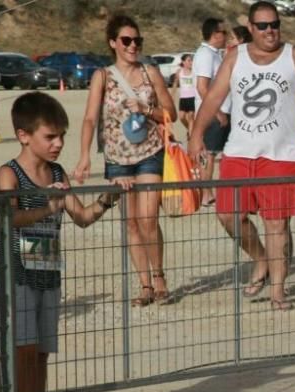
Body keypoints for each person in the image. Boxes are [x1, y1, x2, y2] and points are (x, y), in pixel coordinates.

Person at [0, 92, 119, 392]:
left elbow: (81, 217)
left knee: (43, 352)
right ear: (24, 135)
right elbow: (6, 218)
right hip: (16, 274)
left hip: (48, 272)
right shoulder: (9, 173)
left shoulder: (58, 173)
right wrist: (46, 207)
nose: (58, 143)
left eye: (61, 135)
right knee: (23, 351)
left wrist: (106, 201)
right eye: (50, 136)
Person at [189, 0, 295, 311]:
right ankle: (261, 259)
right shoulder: (235, 57)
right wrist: (196, 135)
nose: (270, 31)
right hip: (239, 152)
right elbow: (214, 97)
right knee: (228, 216)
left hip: (283, 155)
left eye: (275, 25)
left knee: (276, 224)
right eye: (263, 26)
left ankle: (278, 292)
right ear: (251, 28)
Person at [73, 14, 176, 307]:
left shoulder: (150, 72)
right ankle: (144, 285)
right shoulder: (102, 76)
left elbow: (171, 114)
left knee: (148, 219)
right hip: (117, 158)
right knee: (131, 223)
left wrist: (146, 108)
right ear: (113, 43)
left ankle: (159, 277)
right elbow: (90, 118)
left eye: (137, 40)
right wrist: (83, 157)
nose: (133, 46)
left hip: (149, 153)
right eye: (126, 41)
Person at [193, 17, 230, 204]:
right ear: (215, 34)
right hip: (213, 114)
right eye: (223, 32)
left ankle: (207, 192)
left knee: (213, 153)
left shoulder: (215, 54)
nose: (226, 36)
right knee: (209, 154)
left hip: (220, 111)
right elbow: (202, 87)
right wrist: (217, 111)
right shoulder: (206, 55)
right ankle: (205, 194)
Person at [173, 54, 196, 135]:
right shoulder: (179, 72)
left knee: (191, 117)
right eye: (189, 60)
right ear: (183, 62)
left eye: (191, 60)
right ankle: (190, 130)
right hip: (183, 98)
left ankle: (191, 136)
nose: (191, 62)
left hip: (193, 97)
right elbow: (175, 84)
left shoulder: (194, 71)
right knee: (181, 117)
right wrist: (172, 96)